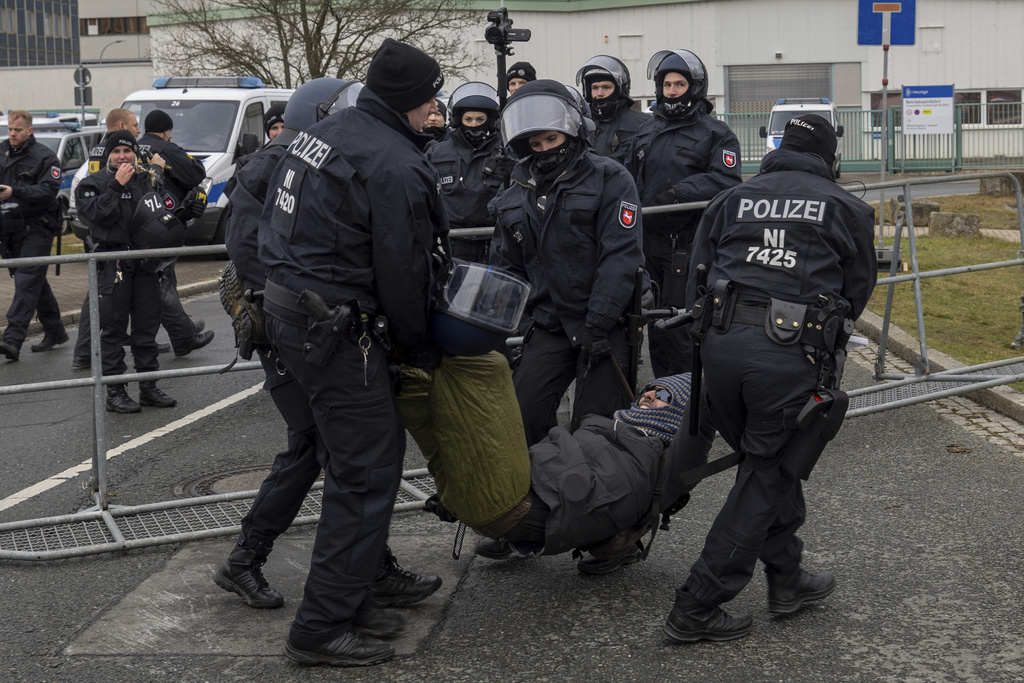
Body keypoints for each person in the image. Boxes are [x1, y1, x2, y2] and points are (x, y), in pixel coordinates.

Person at [215, 77, 440, 622]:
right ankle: (247, 557)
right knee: (321, 449)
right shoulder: (278, 162)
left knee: (341, 455)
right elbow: (254, 251)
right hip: (296, 331)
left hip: (305, 327)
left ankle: (365, 571)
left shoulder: (301, 154)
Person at [258, 39, 449, 667]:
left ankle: (354, 594)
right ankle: (319, 629)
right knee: (365, 475)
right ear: (405, 101)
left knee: (359, 463)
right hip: (340, 330)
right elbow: (404, 271)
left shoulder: (325, 130)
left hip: (294, 314)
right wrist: (421, 344)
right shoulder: (394, 163)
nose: (434, 109)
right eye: (427, 98)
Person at [663, 114, 877, 643]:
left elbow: (698, 271)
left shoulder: (732, 198)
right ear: (830, 158)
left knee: (771, 463)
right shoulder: (847, 208)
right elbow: (858, 289)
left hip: (721, 349)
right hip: (789, 355)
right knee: (766, 474)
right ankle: (698, 603)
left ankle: (787, 579)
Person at [489, 79, 644, 448]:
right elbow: (506, 265)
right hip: (549, 326)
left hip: (605, 326)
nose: (544, 149)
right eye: (535, 143)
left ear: (571, 132)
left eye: (551, 140)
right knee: (520, 419)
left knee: (597, 433)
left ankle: (596, 502)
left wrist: (600, 321)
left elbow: (620, 254)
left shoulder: (610, 178)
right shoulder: (514, 192)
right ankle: (539, 500)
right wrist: (510, 327)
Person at [628, 49, 743, 378]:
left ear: (695, 87)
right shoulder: (646, 131)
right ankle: (661, 395)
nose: (672, 90)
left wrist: (680, 193)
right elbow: (630, 179)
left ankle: (685, 404)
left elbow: (725, 180)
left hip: (688, 244)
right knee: (648, 320)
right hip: (646, 242)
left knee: (679, 322)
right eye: (667, 84)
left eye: (680, 83)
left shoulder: (716, 133)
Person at [74, 130, 179, 413]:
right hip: (113, 265)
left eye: (127, 151)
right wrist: (117, 186)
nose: (123, 157)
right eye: (117, 152)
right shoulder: (91, 183)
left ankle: (149, 386)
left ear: (135, 153)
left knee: (147, 327)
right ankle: (116, 392)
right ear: (109, 154)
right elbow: (97, 216)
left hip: (144, 264)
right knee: (114, 329)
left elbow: (158, 216)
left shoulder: (145, 180)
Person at [136, 109, 215, 359]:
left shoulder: (132, 148)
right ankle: (183, 336)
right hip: (160, 223)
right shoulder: (165, 148)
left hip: (137, 223)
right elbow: (196, 172)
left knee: (155, 283)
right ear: (167, 130)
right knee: (164, 282)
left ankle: (177, 330)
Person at [0, 110, 67, 361]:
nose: (12, 134)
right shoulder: (1, 152)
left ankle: (12, 340)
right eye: (9, 129)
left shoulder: (45, 157)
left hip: (39, 227)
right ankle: (56, 330)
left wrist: (13, 192)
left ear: (30, 131)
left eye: (17, 130)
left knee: (27, 279)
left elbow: (48, 191)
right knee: (32, 279)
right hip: (9, 228)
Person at [426, 82, 511, 264]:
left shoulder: (506, 153)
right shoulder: (437, 153)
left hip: (497, 243)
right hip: (453, 245)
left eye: (480, 120)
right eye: (468, 119)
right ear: (458, 120)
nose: (474, 125)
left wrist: (512, 170)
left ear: (490, 120)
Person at [576, 55, 650, 166]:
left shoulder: (643, 123)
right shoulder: (582, 124)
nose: (599, 93)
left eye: (606, 87)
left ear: (620, 90)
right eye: (595, 88)